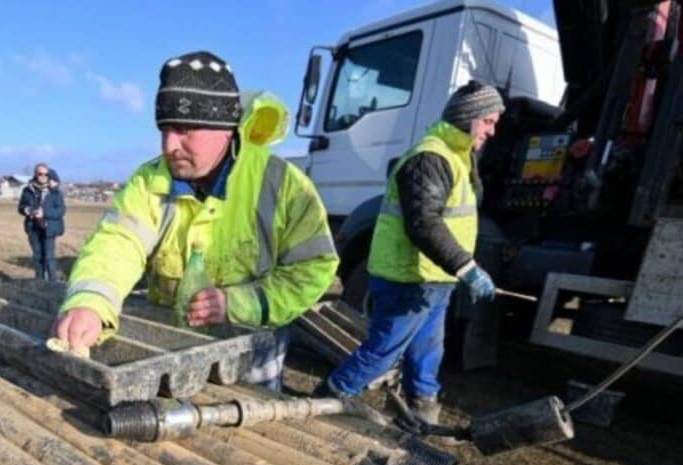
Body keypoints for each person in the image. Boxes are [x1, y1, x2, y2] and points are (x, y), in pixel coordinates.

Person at [52, 50, 338, 389]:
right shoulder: (150, 181)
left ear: (225, 128)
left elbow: (313, 267)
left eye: (185, 130)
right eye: (164, 130)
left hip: (251, 351)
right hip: (170, 345)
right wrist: (91, 304)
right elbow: (117, 244)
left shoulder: (282, 184)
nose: (170, 145)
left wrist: (238, 303)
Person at [326, 80, 505, 424]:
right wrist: (466, 267)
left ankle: (421, 417)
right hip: (407, 277)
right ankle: (325, 402)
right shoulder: (430, 158)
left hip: (435, 279)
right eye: (488, 121)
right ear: (468, 117)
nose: (492, 131)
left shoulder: (457, 157)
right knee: (381, 353)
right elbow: (423, 223)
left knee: (427, 354)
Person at [18, 163, 65, 281]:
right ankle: (39, 283)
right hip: (33, 228)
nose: (43, 176)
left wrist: (44, 213)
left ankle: (53, 284)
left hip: (49, 228)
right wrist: (26, 210)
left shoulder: (55, 192)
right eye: (40, 174)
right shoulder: (27, 190)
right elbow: (20, 207)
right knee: (37, 257)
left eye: (45, 174)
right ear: (35, 174)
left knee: (49, 257)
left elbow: (61, 211)